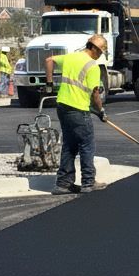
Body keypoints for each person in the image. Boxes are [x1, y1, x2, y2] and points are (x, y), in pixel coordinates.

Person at [45, 34, 108, 194]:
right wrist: (101, 111)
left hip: (63, 107)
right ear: (93, 48)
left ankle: (63, 184)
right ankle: (88, 182)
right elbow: (95, 94)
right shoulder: (93, 66)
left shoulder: (70, 57)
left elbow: (49, 61)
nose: (100, 55)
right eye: (100, 52)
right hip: (79, 110)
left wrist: (49, 83)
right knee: (87, 145)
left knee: (69, 145)